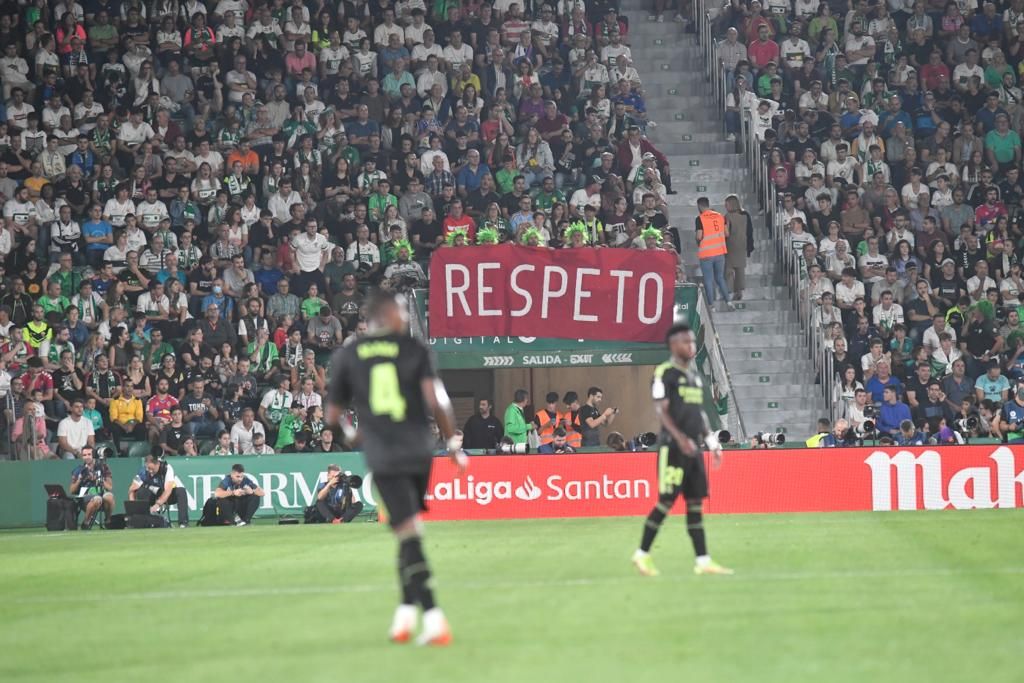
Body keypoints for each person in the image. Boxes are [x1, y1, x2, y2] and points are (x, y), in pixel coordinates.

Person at [326, 290, 467, 646]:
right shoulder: (415, 350)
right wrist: (452, 444)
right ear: (386, 314)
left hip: (384, 453)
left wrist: (353, 438)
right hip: (419, 450)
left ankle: (434, 618)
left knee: (408, 532)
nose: (407, 316)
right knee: (409, 527)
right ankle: (405, 615)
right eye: (403, 310)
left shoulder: (349, 355)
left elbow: (332, 417)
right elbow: (438, 400)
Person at [632, 322, 732, 577]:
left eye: (692, 341)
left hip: (694, 449)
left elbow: (699, 414)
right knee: (666, 501)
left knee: (695, 504)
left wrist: (711, 441)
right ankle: (642, 555)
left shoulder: (694, 378)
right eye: (686, 341)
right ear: (673, 345)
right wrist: (679, 438)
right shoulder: (665, 373)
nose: (692, 346)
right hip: (673, 448)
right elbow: (661, 410)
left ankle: (703, 560)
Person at [127, 455, 189, 528]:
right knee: (141, 491)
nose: (149, 471)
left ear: (157, 464)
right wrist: (132, 508)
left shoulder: (167, 469)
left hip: (164, 494)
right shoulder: (143, 471)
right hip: (151, 496)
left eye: (151, 468)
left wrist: (157, 505)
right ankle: (143, 521)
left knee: (181, 491)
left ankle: (183, 523)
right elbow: (131, 490)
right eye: (147, 468)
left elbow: (168, 490)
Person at [695, 197, 733, 311]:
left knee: (708, 279)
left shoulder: (700, 218)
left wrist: (698, 240)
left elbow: (699, 236)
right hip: (720, 252)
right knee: (720, 278)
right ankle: (729, 301)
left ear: (699, 206)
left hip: (706, 253)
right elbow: (727, 233)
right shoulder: (720, 216)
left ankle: (711, 306)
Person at [69, 445, 114, 530]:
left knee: (109, 496)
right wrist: (79, 480)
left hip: (101, 494)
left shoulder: (103, 468)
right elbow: (71, 490)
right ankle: (86, 523)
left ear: (93, 455)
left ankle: (108, 521)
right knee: (97, 499)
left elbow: (110, 487)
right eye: (84, 455)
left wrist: (99, 479)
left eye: (89, 454)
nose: (87, 457)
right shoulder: (78, 470)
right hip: (85, 498)